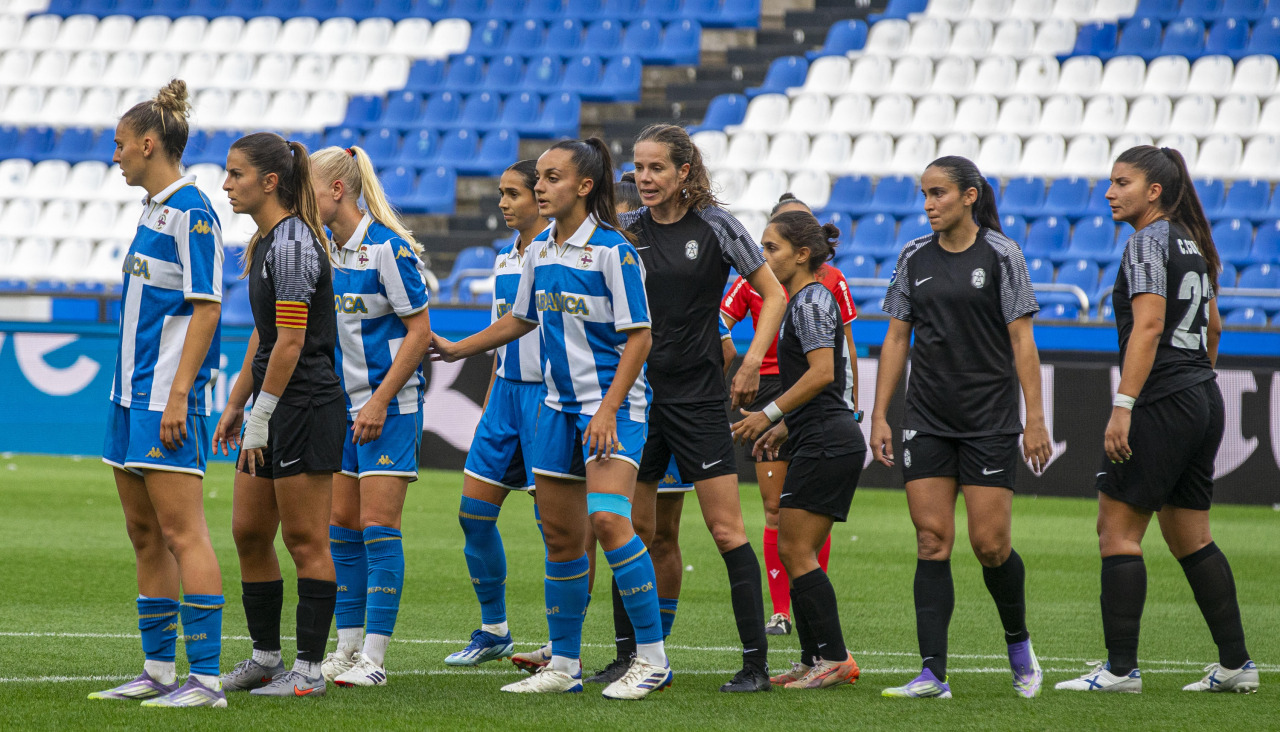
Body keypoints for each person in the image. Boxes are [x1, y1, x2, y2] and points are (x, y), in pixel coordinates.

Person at [431, 138, 671, 700]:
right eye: (537, 177)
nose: (539, 187)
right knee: (563, 539)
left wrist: (609, 408)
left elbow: (640, 337)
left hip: (612, 411)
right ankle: (564, 665)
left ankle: (653, 660)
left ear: (584, 187)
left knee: (611, 522)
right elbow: (520, 320)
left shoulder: (615, 251)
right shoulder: (540, 249)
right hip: (556, 409)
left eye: (551, 177)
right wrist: (458, 349)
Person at [1056, 146, 1258, 695]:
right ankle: (1237, 665)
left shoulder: (1148, 240)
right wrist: (1193, 382)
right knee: (1191, 537)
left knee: (1116, 534)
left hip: (1162, 399)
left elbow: (1147, 327)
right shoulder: (1194, 241)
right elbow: (1214, 328)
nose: (1109, 192)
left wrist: (1125, 405)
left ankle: (1120, 670)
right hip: (1201, 394)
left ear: (1153, 192)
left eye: (1121, 182)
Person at [606, 122, 785, 693]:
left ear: (685, 171)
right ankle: (629, 657)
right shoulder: (625, 230)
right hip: (639, 397)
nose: (644, 178)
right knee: (631, 528)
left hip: (700, 400)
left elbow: (774, 293)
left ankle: (755, 663)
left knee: (726, 529)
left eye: (657, 167)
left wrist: (754, 358)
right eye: (638, 167)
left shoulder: (716, 225)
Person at [870, 156, 1051, 700]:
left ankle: (1019, 647)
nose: (929, 204)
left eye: (939, 193)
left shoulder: (1002, 254)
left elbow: (1022, 340)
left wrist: (1035, 418)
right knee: (931, 541)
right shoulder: (912, 256)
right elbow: (897, 338)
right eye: (924, 194)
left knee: (990, 545)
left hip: (989, 419)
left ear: (970, 196)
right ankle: (932, 674)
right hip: (926, 417)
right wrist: (880, 413)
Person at [90, 79, 228, 709]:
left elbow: (206, 309)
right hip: (128, 396)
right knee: (144, 534)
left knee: (184, 533)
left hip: (163, 401)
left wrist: (178, 397)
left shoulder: (196, 210)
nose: (114, 155)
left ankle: (205, 680)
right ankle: (158, 671)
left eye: (120, 144)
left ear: (149, 143)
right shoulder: (153, 210)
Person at [213, 133, 345, 698]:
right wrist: (238, 400)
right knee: (248, 530)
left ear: (270, 182)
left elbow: (291, 342)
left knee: (305, 538)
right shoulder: (266, 240)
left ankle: (310, 671)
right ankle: (266, 657)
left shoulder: (292, 243)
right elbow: (265, 339)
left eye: (236, 174)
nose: (226, 184)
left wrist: (261, 411)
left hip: (306, 403)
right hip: (274, 401)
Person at [306, 145, 432, 687]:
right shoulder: (323, 250)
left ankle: (375, 660)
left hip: (390, 409)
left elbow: (420, 331)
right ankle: (347, 649)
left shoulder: (387, 248)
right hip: (342, 409)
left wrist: (380, 400)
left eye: (307, 188)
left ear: (337, 189)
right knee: (342, 531)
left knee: (379, 529)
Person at [731, 211, 866, 689]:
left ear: (802, 254)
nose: (763, 258)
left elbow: (822, 375)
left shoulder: (809, 301)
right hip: (815, 434)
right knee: (794, 551)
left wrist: (767, 415)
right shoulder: (802, 300)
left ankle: (833, 658)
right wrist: (784, 427)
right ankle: (813, 659)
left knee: (796, 550)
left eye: (772, 249)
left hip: (828, 440)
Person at [444, 160, 552, 669]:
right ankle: (495, 630)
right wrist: (489, 402)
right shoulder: (506, 257)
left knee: (555, 527)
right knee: (473, 514)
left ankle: (560, 644)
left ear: (540, 197)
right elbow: (502, 338)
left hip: (547, 400)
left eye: (513, 193)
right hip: (505, 398)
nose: (504, 203)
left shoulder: (557, 253)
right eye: (501, 194)